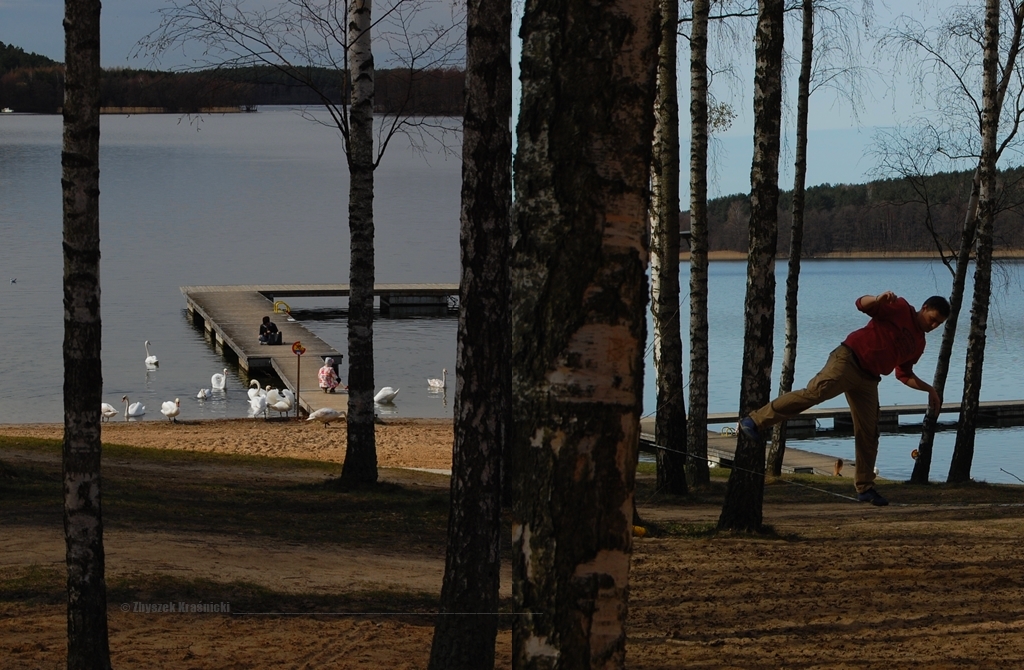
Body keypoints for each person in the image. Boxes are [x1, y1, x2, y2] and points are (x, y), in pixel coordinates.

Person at [738, 291, 951, 507]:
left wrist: (929, 390)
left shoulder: (919, 344)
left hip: (869, 380)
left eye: (938, 324)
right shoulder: (901, 308)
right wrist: (877, 300)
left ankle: (865, 488)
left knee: (869, 431)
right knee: (814, 393)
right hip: (848, 359)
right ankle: (754, 421)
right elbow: (861, 304)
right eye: (933, 319)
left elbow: (903, 374)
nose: (933, 326)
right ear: (924, 308)